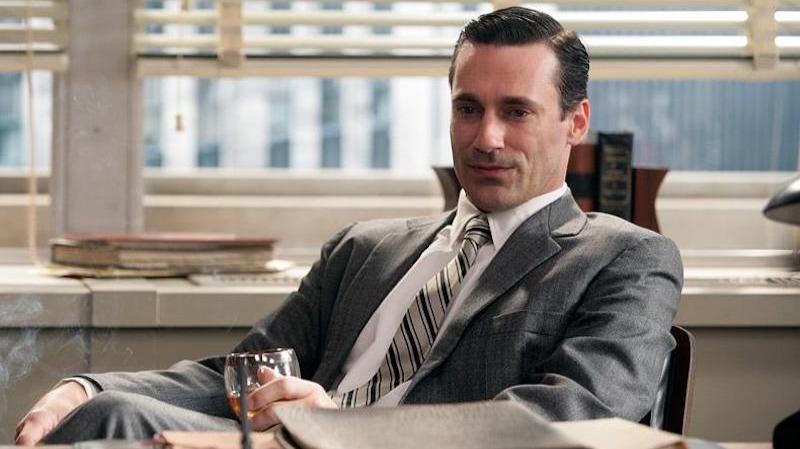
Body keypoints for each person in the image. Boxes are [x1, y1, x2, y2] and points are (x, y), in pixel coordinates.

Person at [15, 6, 682, 445]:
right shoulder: (366, 248)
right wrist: (87, 384)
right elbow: (242, 378)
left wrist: (342, 431)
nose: (487, 137)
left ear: (575, 121)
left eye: (516, 111)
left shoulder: (626, 259)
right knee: (105, 411)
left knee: (119, 423)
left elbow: (574, 418)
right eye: (468, 108)